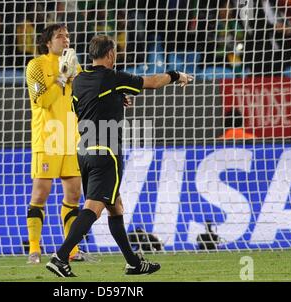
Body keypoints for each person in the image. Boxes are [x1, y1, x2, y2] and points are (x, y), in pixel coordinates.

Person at [45, 35, 194, 277]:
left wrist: (115, 99)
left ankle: (134, 263)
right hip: (106, 151)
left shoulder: (80, 80)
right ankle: (61, 256)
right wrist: (176, 75)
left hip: (84, 151)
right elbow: (153, 82)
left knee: (116, 207)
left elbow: (81, 107)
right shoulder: (113, 77)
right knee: (94, 207)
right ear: (111, 54)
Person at [25, 24, 94, 264]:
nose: (65, 39)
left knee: (74, 195)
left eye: (67, 36)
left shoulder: (76, 65)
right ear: (48, 42)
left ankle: (71, 251)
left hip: (71, 139)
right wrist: (62, 78)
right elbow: (42, 100)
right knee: (41, 193)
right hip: (47, 139)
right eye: (59, 36)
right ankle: (34, 249)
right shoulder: (36, 66)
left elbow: (88, 95)